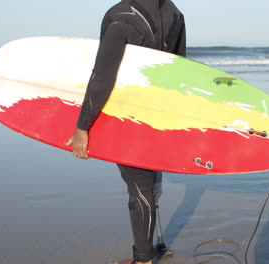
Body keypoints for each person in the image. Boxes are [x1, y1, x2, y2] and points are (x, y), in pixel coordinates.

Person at [66, 1, 186, 263]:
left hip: (127, 115)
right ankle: (146, 251)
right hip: (159, 116)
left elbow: (103, 76)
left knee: (139, 187)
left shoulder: (120, 16)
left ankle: (142, 259)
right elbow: (180, 71)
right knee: (148, 185)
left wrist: (82, 126)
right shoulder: (176, 15)